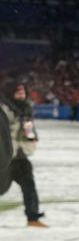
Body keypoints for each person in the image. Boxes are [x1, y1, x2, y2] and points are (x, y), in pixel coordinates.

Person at [0, 82, 45, 227]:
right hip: (5, 156)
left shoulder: (26, 109)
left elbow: (29, 128)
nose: (22, 96)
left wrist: (31, 137)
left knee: (29, 185)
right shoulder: (3, 108)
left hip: (21, 155)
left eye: (23, 93)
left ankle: (33, 217)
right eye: (18, 93)